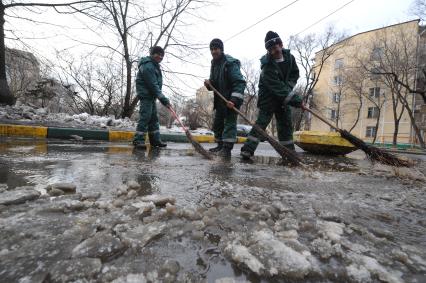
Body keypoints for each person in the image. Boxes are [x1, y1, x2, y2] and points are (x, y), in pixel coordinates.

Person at [240, 31, 303, 159]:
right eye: (270, 49)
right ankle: (247, 150)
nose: (273, 51)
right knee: (261, 124)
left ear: (280, 45)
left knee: (285, 124)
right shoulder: (267, 66)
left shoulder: (290, 58)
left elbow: (295, 74)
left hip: (283, 96)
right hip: (268, 97)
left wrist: (289, 87)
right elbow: (277, 88)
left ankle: (289, 152)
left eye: (275, 47)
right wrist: (295, 99)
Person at [204, 38, 246, 157]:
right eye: (211, 49)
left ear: (221, 49)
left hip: (231, 99)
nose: (213, 51)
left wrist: (233, 100)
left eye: (215, 48)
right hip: (220, 100)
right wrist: (209, 84)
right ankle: (220, 145)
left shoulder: (230, 63)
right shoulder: (214, 63)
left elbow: (239, 83)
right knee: (218, 124)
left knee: (229, 124)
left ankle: (227, 149)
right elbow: (214, 84)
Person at [133, 46, 171, 150]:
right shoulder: (148, 66)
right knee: (145, 117)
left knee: (153, 119)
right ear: (152, 54)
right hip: (146, 96)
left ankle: (155, 140)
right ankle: (138, 140)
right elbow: (153, 85)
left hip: (151, 96)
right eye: (157, 54)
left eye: (162, 55)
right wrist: (163, 99)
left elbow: (155, 86)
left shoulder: (155, 66)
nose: (160, 56)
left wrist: (159, 97)